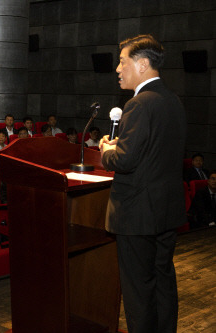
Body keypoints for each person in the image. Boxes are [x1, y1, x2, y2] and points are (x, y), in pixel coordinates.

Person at [99, 34, 186, 333]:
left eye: (122, 62)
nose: (118, 69)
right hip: (165, 211)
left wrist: (107, 150)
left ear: (143, 64)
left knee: (138, 292)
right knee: (162, 282)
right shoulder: (172, 101)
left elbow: (123, 161)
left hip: (137, 215)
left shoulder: (139, 104)